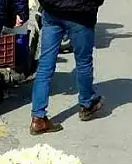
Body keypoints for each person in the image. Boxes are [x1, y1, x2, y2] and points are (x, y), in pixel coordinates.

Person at [29, 0, 105, 135]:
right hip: (80, 15)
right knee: (83, 63)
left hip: (53, 12)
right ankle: (87, 104)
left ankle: (38, 117)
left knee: (45, 66)